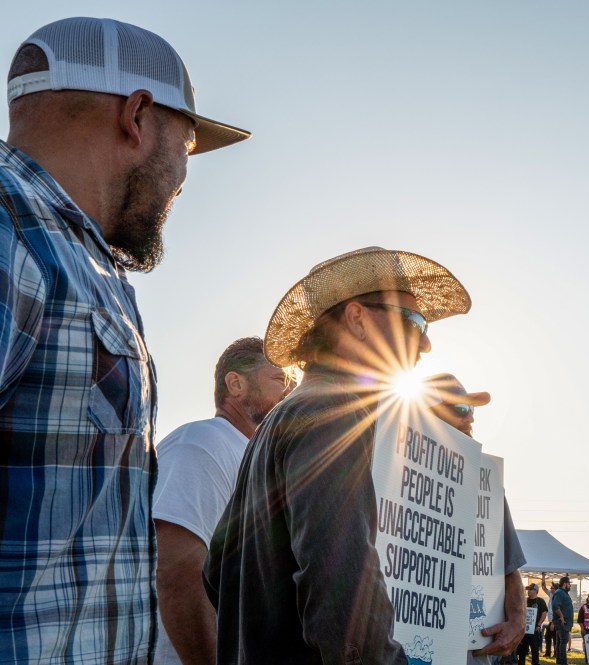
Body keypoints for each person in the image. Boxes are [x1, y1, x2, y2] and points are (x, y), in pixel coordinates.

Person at [0, 16, 248, 663]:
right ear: (136, 116)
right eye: (186, 149)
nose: (182, 183)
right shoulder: (11, 230)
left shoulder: (79, 259)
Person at [204, 247, 470, 664]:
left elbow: (216, 572)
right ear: (358, 318)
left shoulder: (282, 420)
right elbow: (340, 588)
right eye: (414, 321)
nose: (427, 342)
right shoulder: (333, 413)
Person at [153, 337, 294, 664]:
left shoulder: (254, 458)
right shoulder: (204, 442)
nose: (290, 392)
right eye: (280, 380)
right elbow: (176, 570)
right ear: (236, 384)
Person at [424, 373, 528, 663]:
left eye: (472, 409)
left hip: (474, 650)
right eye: (460, 409)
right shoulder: (393, 473)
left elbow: (508, 564)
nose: (470, 417)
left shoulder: (485, 480)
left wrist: (517, 621)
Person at [518, 583, 549, 665]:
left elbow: (544, 613)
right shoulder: (524, 601)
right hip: (524, 630)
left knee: (535, 650)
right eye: (528, 589)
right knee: (522, 651)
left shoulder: (540, 601)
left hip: (535, 629)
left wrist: (539, 624)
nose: (528, 591)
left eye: (530, 589)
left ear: (536, 591)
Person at [551, 575, 575, 664]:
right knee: (563, 642)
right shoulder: (560, 593)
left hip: (563, 622)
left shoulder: (562, 593)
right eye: (569, 583)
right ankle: (563, 662)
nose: (570, 585)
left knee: (560, 642)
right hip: (562, 622)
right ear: (565, 584)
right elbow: (555, 606)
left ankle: (559, 661)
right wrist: (561, 616)